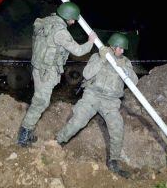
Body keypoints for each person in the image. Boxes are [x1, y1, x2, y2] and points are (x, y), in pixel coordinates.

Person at [55, 33, 137, 178]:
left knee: (117, 126)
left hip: (111, 102)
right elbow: (86, 74)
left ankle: (114, 162)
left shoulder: (125, 61)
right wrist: (102, 59)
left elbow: (134, 82)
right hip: (92, 96)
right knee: (78, 120)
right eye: (120, 48)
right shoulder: (98, 56)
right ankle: (57, 143)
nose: (122, 51)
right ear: (112, 46)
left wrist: (124, 68)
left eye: (124, 49)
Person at [17, 1, 97, 147]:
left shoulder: (46, 22)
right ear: (67, 17)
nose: (73, 22)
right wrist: (90, 41)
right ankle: (24, 135)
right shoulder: (60, 32)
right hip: (46, 71)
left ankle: (27, 130)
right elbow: (79, 51)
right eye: (73, 19)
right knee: (40, 102)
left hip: (37, 67)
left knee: (39, 101)